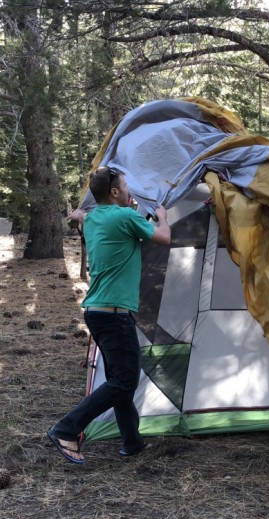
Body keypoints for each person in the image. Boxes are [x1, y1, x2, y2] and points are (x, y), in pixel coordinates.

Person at [47, 166, 171, 464]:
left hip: (96, 312)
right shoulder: (125, 217)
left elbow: (83, 218)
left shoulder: (93, 220)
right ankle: (66, 428)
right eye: (126, 186)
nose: (129, 191)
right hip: (115, 314)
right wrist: (163, 217)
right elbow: (164, 237)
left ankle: (132, 441)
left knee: (120, 376)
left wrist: (79, 215)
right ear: (114, 191)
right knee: (125, 380)